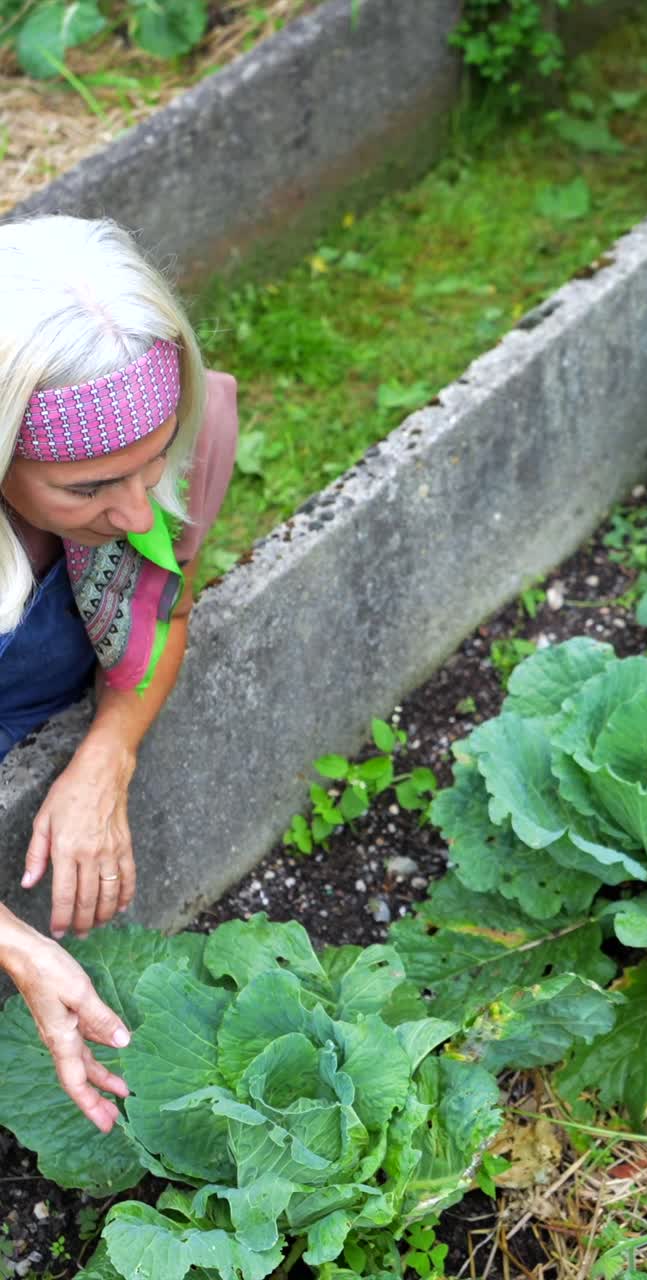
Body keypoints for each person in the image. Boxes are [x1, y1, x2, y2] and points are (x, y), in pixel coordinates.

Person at [0, 214, 237, 1132]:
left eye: (152, 466)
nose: (136, 508)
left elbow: (163, 603)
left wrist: (108, 754)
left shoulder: (188, 422)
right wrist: (20, 950)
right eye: (88, 489)